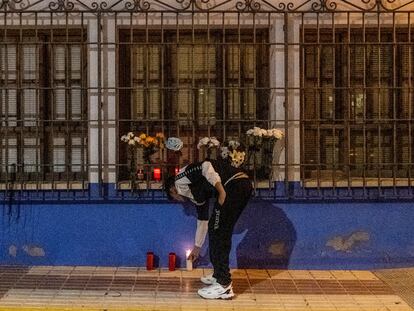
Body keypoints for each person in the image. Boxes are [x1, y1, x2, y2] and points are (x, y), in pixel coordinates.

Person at [164, 159, 252, 299]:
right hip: (238, 186)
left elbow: (206, 166)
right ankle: (219, 275)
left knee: (219, 231)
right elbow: (203, 220)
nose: (179, 201)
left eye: (174, 198)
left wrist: (221, 190)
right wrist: (197, 247)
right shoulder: (195, 195)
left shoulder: (180, 178)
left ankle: (224, 285)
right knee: (215, 228)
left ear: (172, 190)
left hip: (234, 185)